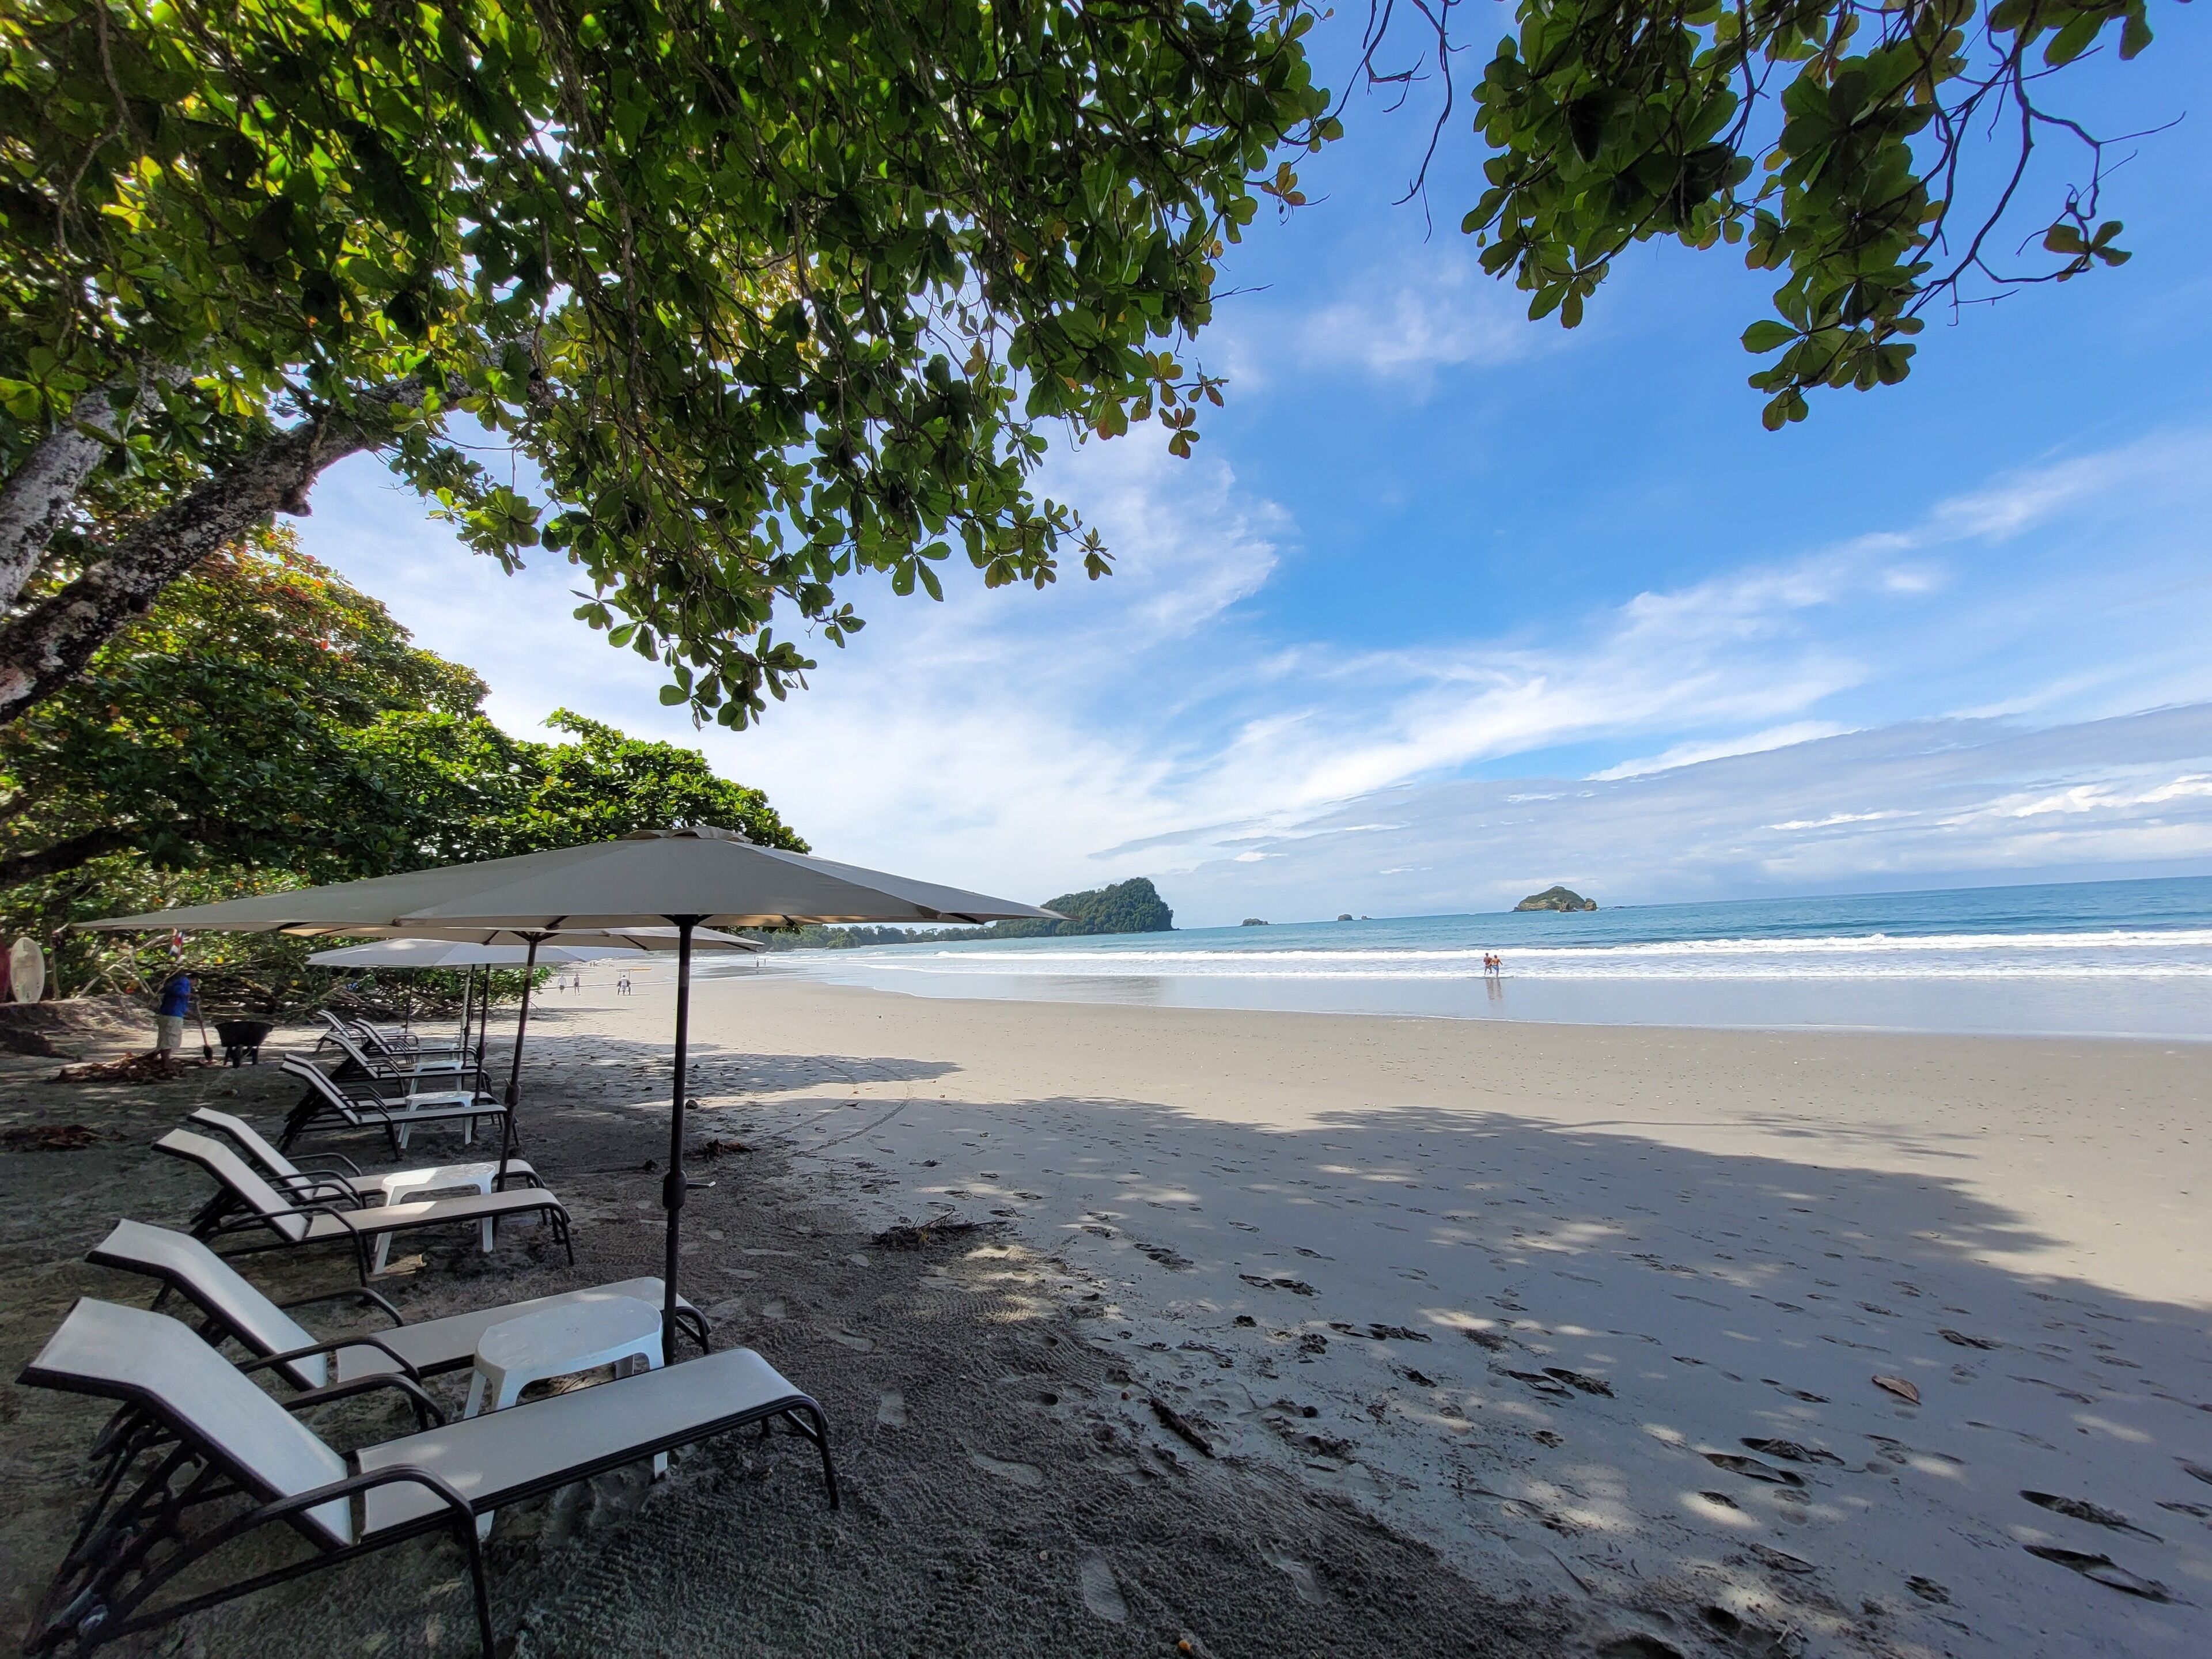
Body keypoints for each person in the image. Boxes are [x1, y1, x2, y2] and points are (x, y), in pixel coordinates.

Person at [154, 970, 193, 1052]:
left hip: (165, 1015)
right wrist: (191, 995)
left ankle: (157, 1058)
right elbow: (178, 991)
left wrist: (196, 1017)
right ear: (194, 979)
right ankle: (166, 1062)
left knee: (164, 1040)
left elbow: (183, 1008)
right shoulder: (183, 982)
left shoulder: (172, 985)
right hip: (173, 1016)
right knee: (170, 1041)